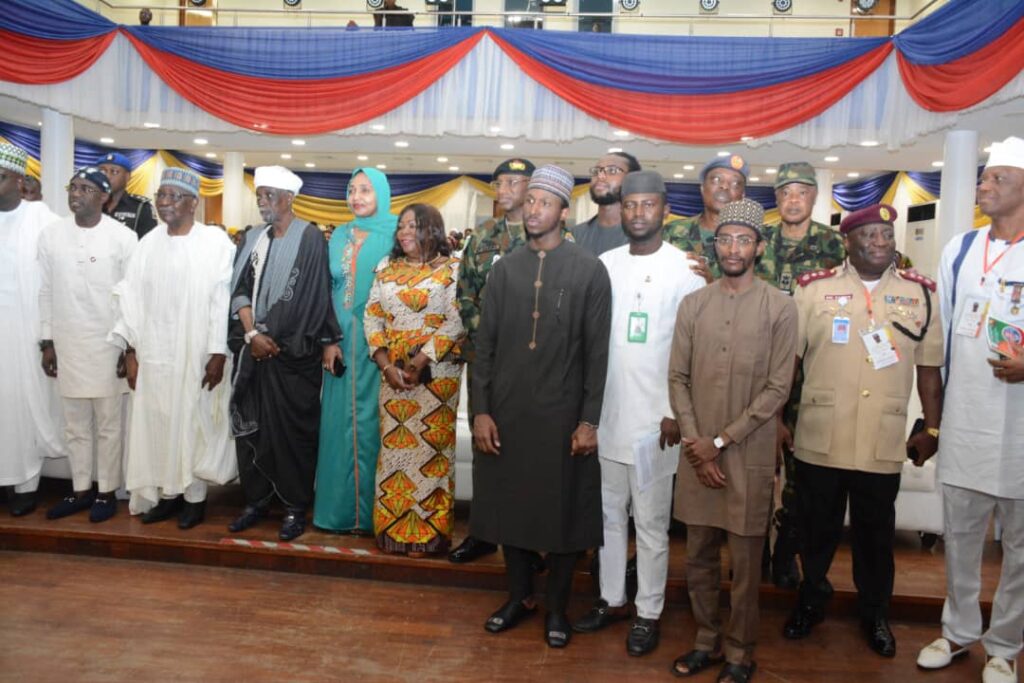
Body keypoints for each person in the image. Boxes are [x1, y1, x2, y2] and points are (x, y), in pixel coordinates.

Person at [783, 203, 943, 659]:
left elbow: (930, 370)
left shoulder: (921, 293)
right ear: (847, 242)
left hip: (881, 439)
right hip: (821, 436)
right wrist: (776, 419)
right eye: (869, 235)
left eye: (886, 235)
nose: (879, 243)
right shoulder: (813, 289)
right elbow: (789, 364)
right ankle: (811, 600)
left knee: (876, 537)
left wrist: (932, 429)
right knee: (816, 532)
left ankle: (874, 614)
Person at [472, 165, 611, 649]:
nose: (533, 210)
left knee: (562, 515)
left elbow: (598, 355)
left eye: (544, 202)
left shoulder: (589, 270)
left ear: (564, 212)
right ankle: (518, 597)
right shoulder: (504, 269)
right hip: (507, 414)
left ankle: (556, 608)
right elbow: (484, 348)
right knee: (509, 508)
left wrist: (589, 420)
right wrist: (481, 411)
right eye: (530, 200)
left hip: (563, 417)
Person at [572, 171, 704, 656]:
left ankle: (648, 612)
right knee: (608, 517)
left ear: (664, 210)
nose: (638, 213)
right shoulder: (604, 264)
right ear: (621, 210)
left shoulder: (685, 268)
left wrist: (674, 412)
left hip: (657, 426)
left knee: (650, 525)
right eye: (630, 205)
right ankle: (611, 599)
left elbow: (690, 349)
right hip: (607, 418)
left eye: (648, 205)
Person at [667, 198, 797, 682]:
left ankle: (741, 653)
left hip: (749, 453)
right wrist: (697, 442)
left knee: (744, 565)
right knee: (698, 557)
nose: (734, 248)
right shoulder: (694, 305)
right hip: (697, 453)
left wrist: (719, 442)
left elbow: (778, 389)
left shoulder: (780, 307)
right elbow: (677, 378)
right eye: (725, 239)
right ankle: (707, 640)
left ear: (759, 247)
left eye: (744, 240)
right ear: (714, 245)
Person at [917, 136, 1024, 683]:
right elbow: (940, 339)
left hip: (1020, 428)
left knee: (1020, 550)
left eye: (997, 178)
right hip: (966, 421)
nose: (984, 185)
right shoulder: (960, 249)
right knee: (959, 538)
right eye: (983, 176)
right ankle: (958, 631)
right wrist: (934, 422)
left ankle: (1004, 646)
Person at [109, 168, 235, 530]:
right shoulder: (147, 244)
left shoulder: (214, 243)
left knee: (192, 421)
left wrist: (217, 352)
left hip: (195, 352)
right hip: (153, 353)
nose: (164, 203)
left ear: (193, 203)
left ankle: (194, 498)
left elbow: (220, 300)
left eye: (173, 196)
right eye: (160, 196)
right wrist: (130, 352)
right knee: (159, 422)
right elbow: (129, 298)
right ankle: (167, 495)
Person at [228, 167, 341, 541]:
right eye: (259, 195)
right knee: (254, 431)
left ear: (289, 198)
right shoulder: (252, 238)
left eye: (269, 195)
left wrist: (268, 336)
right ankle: (256, 501)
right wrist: (251, 334)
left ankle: (294, 506)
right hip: (254, 351)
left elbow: (307, 296)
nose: (262, 201)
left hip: (292, 355)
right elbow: (239, 289)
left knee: (292, 435)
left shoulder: (309, 238)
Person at [757, 161, 847, 589]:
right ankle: (754, 549)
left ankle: (787, 552)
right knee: (754, 467)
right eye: (786, 192)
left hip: (811, 376)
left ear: (814, 197)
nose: (794, 200)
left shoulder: (835, 245)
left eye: (802, 192)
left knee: (803, 473)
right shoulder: (758, 241)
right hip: (757, 373)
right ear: (776, 198)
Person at [364, 203, 465, 555]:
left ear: (432, 230)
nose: (405, 232)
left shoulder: (453, 269)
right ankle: (393, 530)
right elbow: (372, 317)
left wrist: (420, 360)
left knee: (432, 452)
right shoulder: (386, 268)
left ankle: (428, 533)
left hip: (437, 377)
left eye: (414, 225)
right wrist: (385, 366)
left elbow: (456, 320)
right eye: (402, 226)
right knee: (394, 453)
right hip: (393, 376)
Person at [39, 167, 137, 523]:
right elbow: (45, 290)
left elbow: (132, 297)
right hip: (68, 343)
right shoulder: (51, 235)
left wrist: (127, 346)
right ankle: (80, 489)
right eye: (73, 187)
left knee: (109, 425)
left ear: (104, 197)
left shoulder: (123, 238)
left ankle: (107, 491)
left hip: (108, 343)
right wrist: (47, 341)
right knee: (75, 424)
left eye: (85, 189)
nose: (76, 194)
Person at [450, 157, 535, 564]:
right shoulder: (482, 235)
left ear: (532, 188)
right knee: (485, 446)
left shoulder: (549, 236)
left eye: (514, 182)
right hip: (484, 360)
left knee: (526, 450)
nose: (504, 189)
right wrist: (487, 338)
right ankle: (482, 533)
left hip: (531, 365)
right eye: (500, 182)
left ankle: (526, 540)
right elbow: (464, 293)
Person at [314, 168, 397, 534]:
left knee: (372, 422)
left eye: (365, 190)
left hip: (378, 341)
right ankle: (338, 512)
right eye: (352, 190)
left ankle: (372, 515)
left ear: (381, 193)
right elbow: (326, 289)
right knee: (337, 423)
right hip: (339, 341)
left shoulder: (397, 232)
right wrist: (328, 339)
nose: (357, 197)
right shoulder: (339, 235)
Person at [0, 142, 63, 516]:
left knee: (23, 409)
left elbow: (56, 284)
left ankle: (24, 485)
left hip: (26, 336)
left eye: (1, 177)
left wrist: (49, 338)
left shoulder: (43, 222)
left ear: (20, 182)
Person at [664, 154, 749, 280]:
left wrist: (712, 284)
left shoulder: (756, 240)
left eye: (735, 183)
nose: (724, 186)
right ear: (702, 188)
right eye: (716, 180)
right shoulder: (672, 232)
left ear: (742, 196)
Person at [571, 151, 640, 256]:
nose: (600, 176)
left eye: (612, 170)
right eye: (597, 171)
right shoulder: (576, 234)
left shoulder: (644, 235)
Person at [98, 152, 157, 239]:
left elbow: (148, 243)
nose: (107, 176)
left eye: (114, 172)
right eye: (102, 171)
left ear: (127, 177)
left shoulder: (141, 207)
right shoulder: (91, 204)